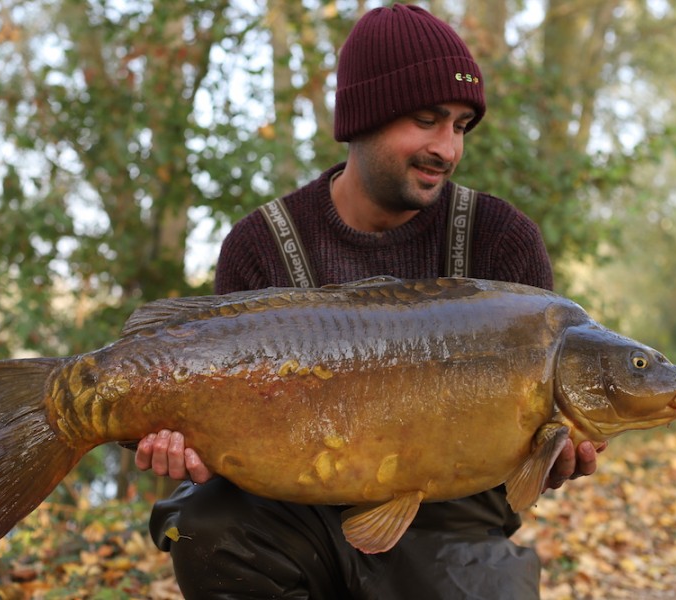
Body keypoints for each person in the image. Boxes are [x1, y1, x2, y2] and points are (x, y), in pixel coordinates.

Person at [135, 4, 604, 598]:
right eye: (427, 119)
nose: (447, 148)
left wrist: (554, 461)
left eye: (460, 125)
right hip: (290, 513)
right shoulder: (262, 244)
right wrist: (183, 443)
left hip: (451, 522)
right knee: (210, 524)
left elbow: (528, 469)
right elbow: (221, 429)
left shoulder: (501, 240)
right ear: (363, 118)